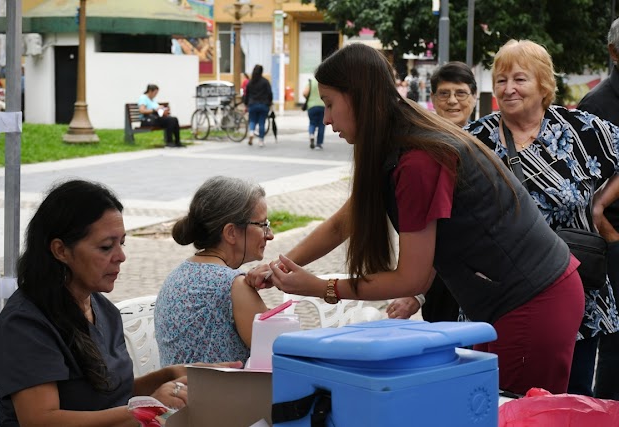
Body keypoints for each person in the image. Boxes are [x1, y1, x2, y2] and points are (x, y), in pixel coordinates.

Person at [247, 43, 584, 396]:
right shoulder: (395, 138)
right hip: (510, 304)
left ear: (360, 98)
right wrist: (281, 266)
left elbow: (411, 277)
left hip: (534, 302)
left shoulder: (418, 158)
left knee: (510, 414)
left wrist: (320, 287)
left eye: (330, 103)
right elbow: (342, 222)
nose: (326, 117)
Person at [0, 180, 240, 426]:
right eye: (106, 247)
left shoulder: (101, 308)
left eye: (122, 243)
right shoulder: (26, 325)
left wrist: (172, 375)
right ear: (61, 250)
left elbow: (109, 394)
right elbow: (41, 421)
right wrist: (147, 409)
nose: (121, 256)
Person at [466, 39, 619, 397]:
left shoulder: (582, 130)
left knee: (574, 393)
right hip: (504, 291)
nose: (508, 89)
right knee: (504, 396)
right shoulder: (476, 140)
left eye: (519, 79)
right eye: (501, 80)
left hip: (577, 285)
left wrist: (599, 205)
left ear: (544, 85)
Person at [388, 61, 478, 322]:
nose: (452, 101)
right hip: (438, 281)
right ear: (433, 99)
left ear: (473, 96)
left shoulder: (488, 145)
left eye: (460, 93)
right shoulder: (423, 147)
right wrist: (418, 292)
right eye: (444, 93)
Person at [155, 176, 271, 365]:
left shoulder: (178, 274)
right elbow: (282, 355)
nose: (270, 235)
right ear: (231, 233)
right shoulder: (234, 286)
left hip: (178, 392)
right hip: (221, 394)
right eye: (263, 225)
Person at [576, 18, 619, 400]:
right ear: (614, 53)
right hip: (614, 238)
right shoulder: (598, 104)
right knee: (616, 340)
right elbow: (587, 181)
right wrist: (606, 229)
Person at [138, 83, 182, 148]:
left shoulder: (153, 99)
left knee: (174, 119)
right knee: (170, 120)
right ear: (150, 91)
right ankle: (169, 142)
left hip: (155, 118)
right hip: (147, 120)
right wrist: (154, 110)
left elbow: (157, 110)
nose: (156, 95)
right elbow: (142, 110)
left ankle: (177, 142)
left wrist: (163, 110)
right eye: (155, 93)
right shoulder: (143, 98)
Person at [243, 65, 273, 147]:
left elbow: (247, 94)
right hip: (263, 105)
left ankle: (251, 132)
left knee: (252, 120)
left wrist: (246, 104)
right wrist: (270, 103)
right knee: (261, 123)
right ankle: (261, 140)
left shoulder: (250, 82)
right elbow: (270, 93)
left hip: (252, 104)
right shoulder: (265, 82)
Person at [303, 78, 326, 150]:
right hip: (323, 106)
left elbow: (305, 93)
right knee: (321, 125)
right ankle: (319, 144)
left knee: (312, 123)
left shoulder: (311, 82)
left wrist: (309, 98)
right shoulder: (323, 83)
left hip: (311, 106)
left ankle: (311, 134)